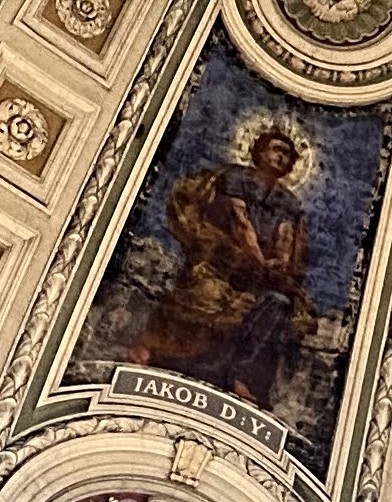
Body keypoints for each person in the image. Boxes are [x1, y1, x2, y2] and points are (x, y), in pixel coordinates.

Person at [133, 127, 313, 412]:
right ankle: (149, 348)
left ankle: (242, 376)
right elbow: (240, 223)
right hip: (224, 256)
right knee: (203, 289)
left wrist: (278, 264)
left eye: (288, 154)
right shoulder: (237, 178)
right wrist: (258, 260)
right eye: (276, 149)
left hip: (260, 274)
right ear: (259, 152)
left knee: (279, 303)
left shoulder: (288, 200)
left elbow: (286, 235)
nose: (281, 157)